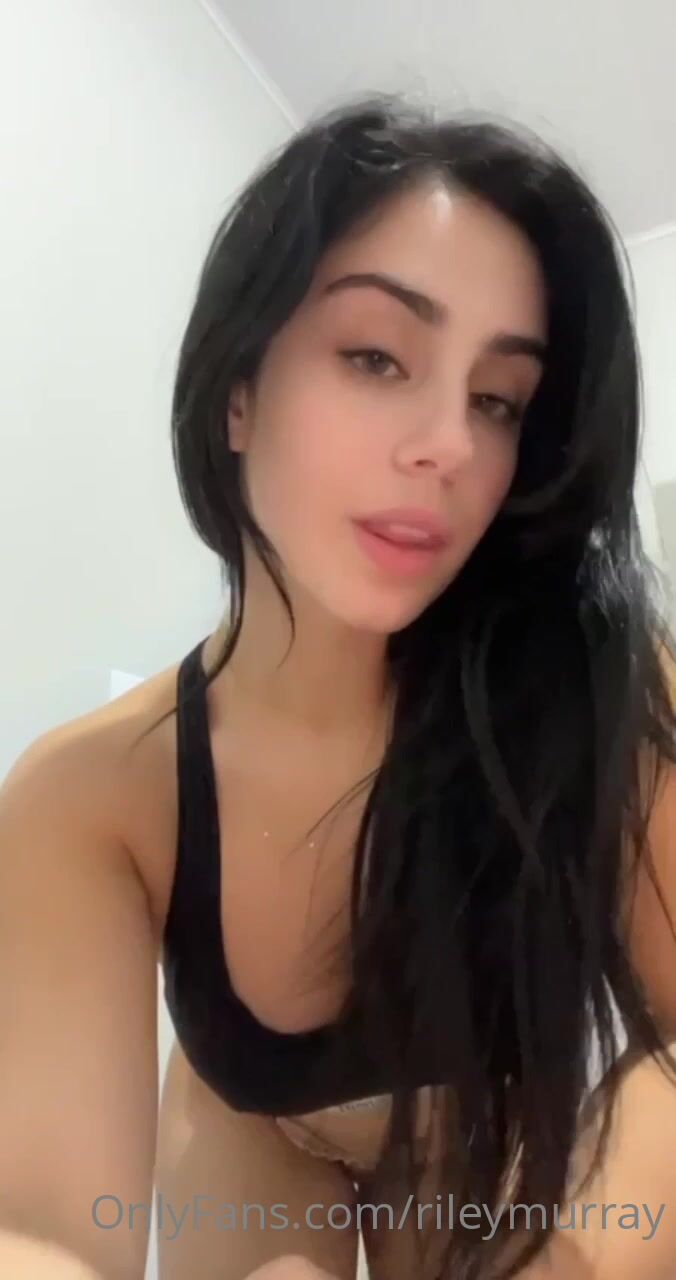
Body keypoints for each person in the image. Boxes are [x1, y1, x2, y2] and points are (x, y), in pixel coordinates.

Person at [0, 92, 675, 1280]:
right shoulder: (93, 792)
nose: (449, 443)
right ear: (238, 391)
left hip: (471, 1116)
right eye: (375, 355)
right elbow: (47, 1223)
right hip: (252, 1120)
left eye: (497, 399)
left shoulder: (594, 684)